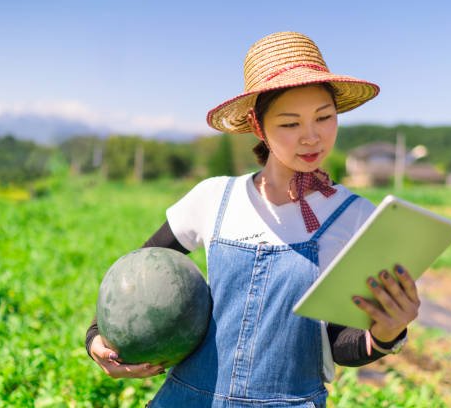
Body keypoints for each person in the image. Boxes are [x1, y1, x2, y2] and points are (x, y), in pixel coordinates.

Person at [85, 31, 420, 407]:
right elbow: (135, 274)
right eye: (290, 124)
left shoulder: (355, 217)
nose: (311, 137)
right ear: (259, 127)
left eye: (324, 118)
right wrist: (97, 336)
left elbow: (339, 345)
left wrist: (387, 333)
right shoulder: (215, 198)